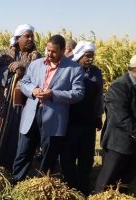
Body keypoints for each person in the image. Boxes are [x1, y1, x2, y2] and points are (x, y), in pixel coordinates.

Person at [12, 35, 85, 183]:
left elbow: (78, 93)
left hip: (54, 118)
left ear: (63, 51)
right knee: (23, 151)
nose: (49, 54)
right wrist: (33, 90)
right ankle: (16, 181)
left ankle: (44, 185)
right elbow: (25, 82)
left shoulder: (74, 69)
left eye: (53, 52)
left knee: (48, 155)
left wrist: (53, 94)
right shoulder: (36, 64)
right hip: (31, 114)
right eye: (48, 50)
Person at [0, 24, 41, 171]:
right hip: (3, 102)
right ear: (18, 38)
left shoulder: (36, 57)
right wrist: (9, 69)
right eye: (27, 36)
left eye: (31, 36)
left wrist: (23, 67)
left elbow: (39, 76)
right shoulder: (6, 54)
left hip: (22, 103)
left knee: (17, 132)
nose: (30, 39)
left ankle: (11, 165)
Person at [60, 41, 104, 195]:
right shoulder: (69, 69)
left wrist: (99, 116)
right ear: (79, 55)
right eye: (87, 56)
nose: (90, 59)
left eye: (92, 56)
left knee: (86, 156)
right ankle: (70, 186)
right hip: (70, 120)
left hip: (88, 121)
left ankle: (83, 185)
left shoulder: (96, 73)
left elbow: (99, 96)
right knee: (68, 155)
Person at [95, 55, 136, 194]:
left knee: (124, 183)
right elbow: (122, 118)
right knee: (105, 184)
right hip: (118, 144)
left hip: (133, 144)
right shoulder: (119, 86)